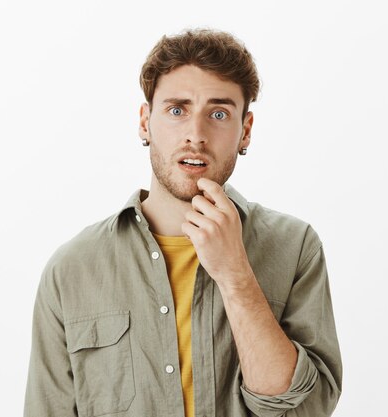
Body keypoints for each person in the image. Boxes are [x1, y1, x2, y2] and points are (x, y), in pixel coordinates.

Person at [24, 28, 342, 417]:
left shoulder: (295, 249)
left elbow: (307, 409)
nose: (196, 135)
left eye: (219, 113)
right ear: (145, 121)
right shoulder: (72, 269)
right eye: (177, 110)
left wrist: (235, 275)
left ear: (245, 130)